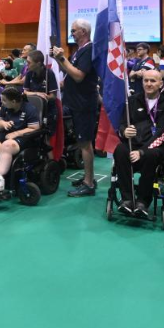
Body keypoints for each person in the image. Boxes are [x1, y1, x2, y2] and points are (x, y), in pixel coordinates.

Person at [112, 70, 164, 218]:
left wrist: (142, 152)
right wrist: (124, 131)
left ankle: (143, 202)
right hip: (134, 144)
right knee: (120, 150)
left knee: (151, 155)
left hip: (156, 146)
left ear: (160, 84)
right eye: (146, 80)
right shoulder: (132, 101)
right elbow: (122, 124)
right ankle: (127, 199)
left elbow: (161, 133)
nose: (148, 84)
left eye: (153, 81)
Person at [52, 19, 99, 197]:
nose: (71, 33)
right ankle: (88, 177)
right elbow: (69, 72)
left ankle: (89, 183)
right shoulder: (79, 51)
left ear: (83, 32)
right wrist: (58, 59)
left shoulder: (89, 49)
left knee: (85, 143)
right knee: (82, 142)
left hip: (84, 104)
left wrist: (62, 58)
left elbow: (78, 76)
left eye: (74, 30)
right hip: (75, 102)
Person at [22, 50, 58, 135]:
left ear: (38, 63)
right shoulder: (29, 73)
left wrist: (44, 97)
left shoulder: (49, 73)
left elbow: (53, 96)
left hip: (48, 110)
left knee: (46, 136)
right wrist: (37, 94)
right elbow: (25, 92)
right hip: (32, 110)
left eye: (29, 62)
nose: (27, 65)